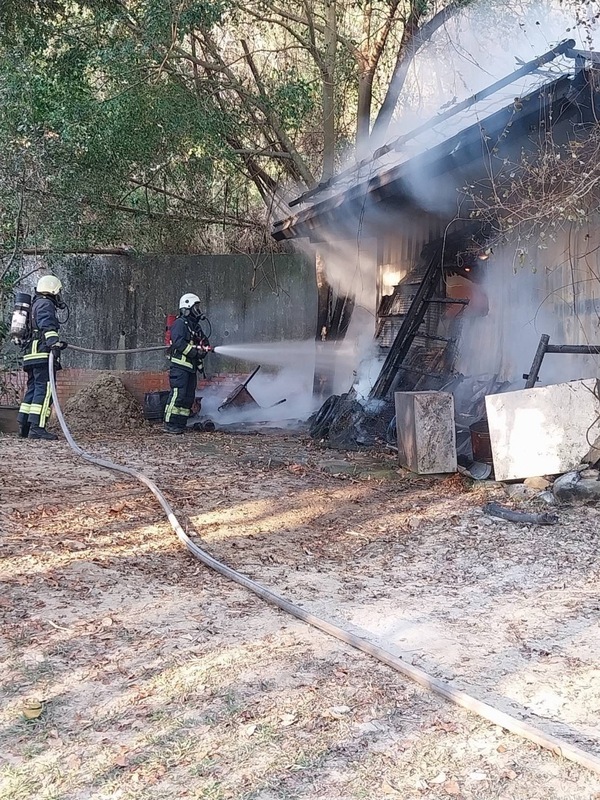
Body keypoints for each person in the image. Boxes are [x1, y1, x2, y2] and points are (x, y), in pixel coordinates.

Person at [17, 275, 68, 441]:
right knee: (45, 390)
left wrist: (58, 343)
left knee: (33, 388)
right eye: (58, 291)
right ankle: (37, 428)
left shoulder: (34, 305)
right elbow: (47, 325)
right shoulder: (46, 304)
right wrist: (54, 343)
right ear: (53, 289)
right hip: (42, 353)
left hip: (31, 354)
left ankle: (24, 426)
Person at [163, 293, 210, 434]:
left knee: (188, 397)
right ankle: (170, 424)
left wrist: (204, 349)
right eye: (196, 307)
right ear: (187, 307)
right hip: (180, 368)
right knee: (178, 394)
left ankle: (180, 424)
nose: (198, 310)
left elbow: (204, 342)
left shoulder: (194, 326)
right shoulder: (180, 324)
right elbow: (178, 342)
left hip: (190, 369)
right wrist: (196, 353)